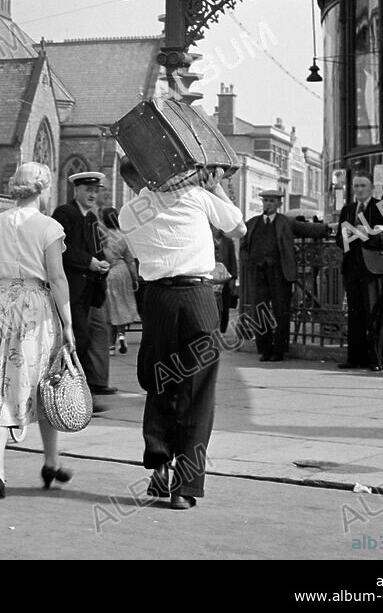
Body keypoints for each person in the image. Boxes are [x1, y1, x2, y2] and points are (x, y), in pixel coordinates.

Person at [119, 158, 246, 510]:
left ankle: (160, 465)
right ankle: (185, 487)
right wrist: (213, 185)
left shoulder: (129, 212)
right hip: (197, 299)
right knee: (197, 393)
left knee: (161, 383)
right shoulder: (194, 195)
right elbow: (238, 227)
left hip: (157, 300)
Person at [0, 162, 74, 502]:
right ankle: (50, 460)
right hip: (35, 305)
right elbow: (57, 278)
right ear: (43, 189)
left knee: (0, 382)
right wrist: (68, 323)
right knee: (46, 382)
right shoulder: (49, 227)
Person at [241, 190, 330, 361]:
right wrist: (249, 261)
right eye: (265, 200)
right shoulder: (252, 223)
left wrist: (328, 228)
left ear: (279, 204)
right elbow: (244, 243)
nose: (268, 204)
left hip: (279, 272)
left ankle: (279, 350)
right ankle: (265, 349)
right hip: (259, 273)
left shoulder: (285, 222)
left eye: (272, 201)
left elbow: (307, 229)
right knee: (260, 310)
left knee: (281, 311)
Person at [52, 172, 115, 396]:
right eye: (87, 190)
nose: (92, 194)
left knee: (89, 335)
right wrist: (89, 262)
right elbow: (61, 247)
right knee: (78, 336)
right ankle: (74, 389)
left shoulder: (91, 218)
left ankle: (86, 386)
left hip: (88, 290)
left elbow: (96, 248)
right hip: (70, 289)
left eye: (96, 190)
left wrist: (102, 263)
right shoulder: (64, 213)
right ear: (76, 190)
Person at [337, 175, 383, 372]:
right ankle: (355, 358)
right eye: (356, 186)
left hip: (374, 268)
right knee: (354, 314)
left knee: (374, 314)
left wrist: (370, 234)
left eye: (363, 185)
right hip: (353, 267)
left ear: (371, 188)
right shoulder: (347, 210)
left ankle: (376, 360)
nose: (359, 189)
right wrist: (347, 236)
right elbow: (340, 239)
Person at [100, 207, 139, 354]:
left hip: (108, 272)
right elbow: (130, 260)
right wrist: (134, 278)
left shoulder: (102, 237)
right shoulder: (123, 236)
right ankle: (121, 335)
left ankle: (110, 345)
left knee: (111, 308)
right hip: (123, 272)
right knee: (122, 305)